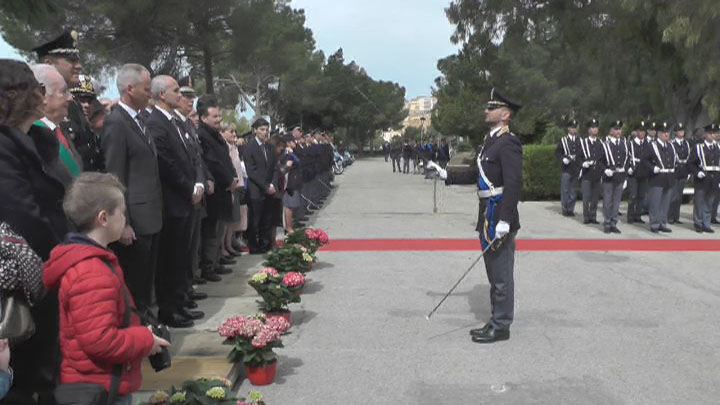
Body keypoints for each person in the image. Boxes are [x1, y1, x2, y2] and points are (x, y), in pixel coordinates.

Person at [43, 172, 170, 405]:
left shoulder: (95, 260)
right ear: (103, 218)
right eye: (121, 212)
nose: (125, 217)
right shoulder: (91, 272)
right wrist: (145, 340)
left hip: (102, 383)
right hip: (99, 389)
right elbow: (100, 340)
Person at [429, 88, 522, 343]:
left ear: (505, 114)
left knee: (501, 275)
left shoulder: (508, 143)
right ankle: (496, 318)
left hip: (499, 214)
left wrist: (505, 219)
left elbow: (514, 184)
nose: (486, 111)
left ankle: (502, 325)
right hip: (486, 216)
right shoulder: (489, 142)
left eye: (492, 108)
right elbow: (475, 175)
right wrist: (446, 174)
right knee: (494, 273)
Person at [0, 59, 68, 405]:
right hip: (22, 282)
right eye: (36, 88)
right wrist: (64, 255)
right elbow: (22, 215)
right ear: (15, 95)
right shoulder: (3, 145)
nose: (43, 95)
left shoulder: (37, 139)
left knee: (46, 368)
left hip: (46, 272)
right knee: (26, 378)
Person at [101, 64, 163, 317]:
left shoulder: (139, 120)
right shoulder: (116, 123)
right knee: (136, 284)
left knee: (147, 281)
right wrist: (122, 222)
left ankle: (148, 325)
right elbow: (115, 176)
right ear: (130, 88)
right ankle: (139, 330)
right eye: (146, 89)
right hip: (134, 220)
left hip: (150, 215)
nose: (150, 95)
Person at [146, 75, 204, 327]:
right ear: (161, 95)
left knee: (181, 257)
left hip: (185, 199)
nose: (181, 96)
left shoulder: (175, 123)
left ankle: (180, 302)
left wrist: (197, 183)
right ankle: (170, 309)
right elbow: (166, 163)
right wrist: (188, 186)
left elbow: (191, 157)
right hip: (172, 201)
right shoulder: (156, 122)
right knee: (171, 261)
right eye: (175, 91)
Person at [33, 28, 104, 172]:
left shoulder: (73, 103)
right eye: (71, 60)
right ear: (48, 63)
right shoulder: (38, 104)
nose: (79, 66)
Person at [197, 96, 237, 277]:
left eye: (219, 116)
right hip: (216, 189)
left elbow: (226, 159)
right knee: (211, 230)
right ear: (204, 118)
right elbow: (212, 163)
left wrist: (233, 177)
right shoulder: (203, 135)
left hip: (225, 187)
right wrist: (228, 179)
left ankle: (216, 259)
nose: (218, 120)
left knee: (220, 228)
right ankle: (208, 266)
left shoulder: (216, 135)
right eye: (215, 117)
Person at [31, 63, 82, 184]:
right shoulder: (32, 136)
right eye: (64, 92)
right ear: (42, 95)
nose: (70, 98)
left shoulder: (59, 131)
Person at [243, 118, 278, 254]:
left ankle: (265, 243)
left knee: (267, 219)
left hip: (270, 188)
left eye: (267, 130)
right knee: (255, 220)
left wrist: (273, 184)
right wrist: (265, 186)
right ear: (255, 130)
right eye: (262, 129)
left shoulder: (270, 147)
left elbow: (275, 168)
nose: (265, 132)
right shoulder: (249, 147)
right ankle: (253, 245)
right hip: (256, 191)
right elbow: (252, 171)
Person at [689, 124, 720, 233]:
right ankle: (698, 223)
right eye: (711, 133)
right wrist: (697, 172)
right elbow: (691, 164)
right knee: (699, 202)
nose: (713, 135)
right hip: (703, 178)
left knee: (709, 203)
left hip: (714, 179)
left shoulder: (718, 147)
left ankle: (706, 224)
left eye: (715, 133)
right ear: (705, 134)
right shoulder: (698, 147)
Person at [645, 122, 676, 233]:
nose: (666, 134)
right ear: (658, 133)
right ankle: (654, 224)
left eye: (667, 132)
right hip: (657, 177)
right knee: (655, 202)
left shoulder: (670, 145)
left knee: (665, 202)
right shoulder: (651, 145)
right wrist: (652, 168)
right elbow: (645, 160)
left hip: (668, 177)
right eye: (663, 132)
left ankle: (662, 222)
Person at [600, 120, 629, 234]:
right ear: (611, 130)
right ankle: (607, 223)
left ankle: (613, 223)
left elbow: (628, 161)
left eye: (620, 129)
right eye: (616, 129)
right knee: (607, 201)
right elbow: (599, 161)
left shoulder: (624, 143)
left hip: (620, 176)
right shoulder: (605, 144)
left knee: (616, 202)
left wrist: (625, 176)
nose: (618, 131)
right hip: (609, 176)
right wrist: (605, 170)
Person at [579, 119, 604, 225]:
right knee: (586, 197)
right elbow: (578, 157)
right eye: (592, 128)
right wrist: (582, 163)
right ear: (588, 130)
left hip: (597, 174)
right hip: (587, 174)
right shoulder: (583, 142)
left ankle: (593, 216)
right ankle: (586, 217)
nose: (595, 130)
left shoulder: (600, 143)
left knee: (595, 198)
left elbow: (603, 158)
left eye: (596, 128)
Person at [555, 119, 582, 217]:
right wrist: (563, 159)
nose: (575, 130)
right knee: (565, 189)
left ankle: (571, 209)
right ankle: (565, 209)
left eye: (576, 128)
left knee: (573, 190)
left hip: (575, 168)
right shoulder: (563, 140)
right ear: (568, 129)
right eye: (573, 128)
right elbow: (558, 152)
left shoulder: (580, 140)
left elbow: (581, 154)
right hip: (566, 168)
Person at [627, 121, 650, 224]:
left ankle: (638, 215)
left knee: (641, 195)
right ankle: (630, 215)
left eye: (644, 131)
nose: (642, 133)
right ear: (636, 132)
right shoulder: (631, 144)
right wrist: (628, 168)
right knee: (633, 195)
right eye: (640, 131)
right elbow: (626, 157)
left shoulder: (647, 144)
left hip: (643, 172)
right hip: (634, 172)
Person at [669, 123, 690, 224]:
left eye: (682, 130)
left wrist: (688, 171)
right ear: (675, 132)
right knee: (673, 195)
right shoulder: (672, 143)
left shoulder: (686, 143)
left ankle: (676, 217)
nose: (681, 132)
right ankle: (670, 216)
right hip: (675, 170)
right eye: (679, 130)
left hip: (683, 170)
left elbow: (688, 158)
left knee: (679, 196)